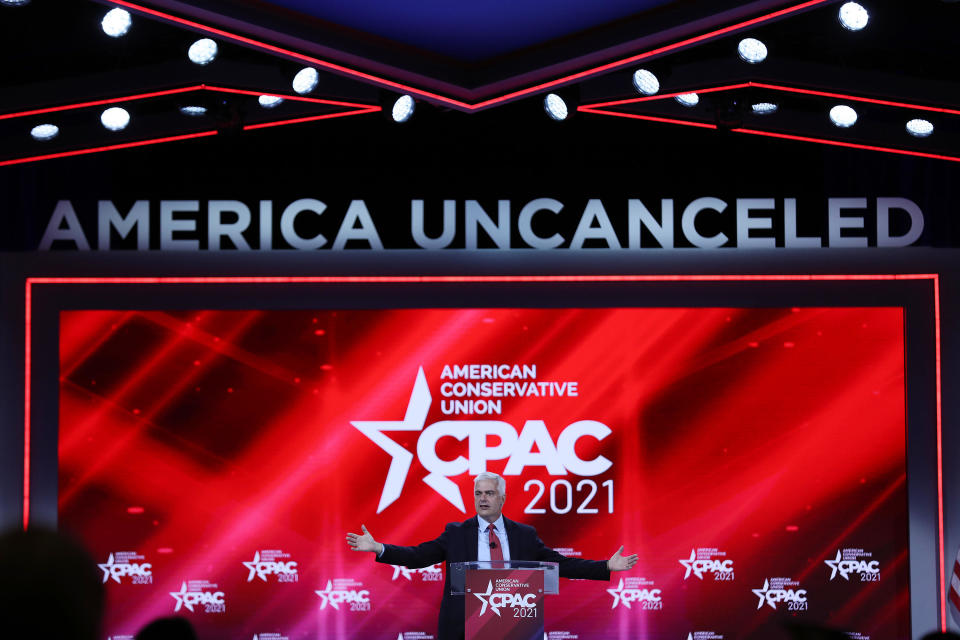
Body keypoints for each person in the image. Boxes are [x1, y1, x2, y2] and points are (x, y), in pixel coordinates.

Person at [346, 471, 638, 640]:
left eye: (488, 493)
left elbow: (558, 564)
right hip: (465, 629)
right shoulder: (456, 532)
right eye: (477, 493)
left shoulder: (524, 535)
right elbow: (419, 556)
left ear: (502, 498)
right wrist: (379, 548)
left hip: (512, 627)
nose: (482, 498)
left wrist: (605, 566)